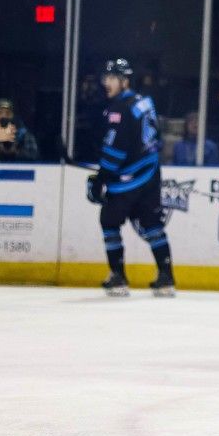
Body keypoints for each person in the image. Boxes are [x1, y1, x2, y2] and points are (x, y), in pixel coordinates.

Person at [86, 58, 174, 297]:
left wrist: (101, 177)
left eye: (112, 78)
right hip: (150, 173)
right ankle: (166, 277)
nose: (106, 82)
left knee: (109, 221)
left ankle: (118, 277)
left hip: (128, 179)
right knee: (152, 222)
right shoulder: (145, 102)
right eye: (106, 77)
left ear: (124, 81)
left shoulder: (119, 109)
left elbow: (116, 149)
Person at [0, 98, 39, 162]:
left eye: (7, 113)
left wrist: (16, 152)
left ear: (12, 115)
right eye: (0, 113)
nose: (4, 116)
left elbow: (33, 154)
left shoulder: (24, 134)